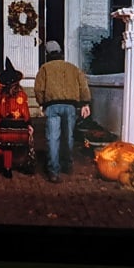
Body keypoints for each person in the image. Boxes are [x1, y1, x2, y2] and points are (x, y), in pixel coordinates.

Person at [34, 40, 91, 183]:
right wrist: (85, 103)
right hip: (70, 106)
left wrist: (42, 103)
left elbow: (39, 89)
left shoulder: (45, 68)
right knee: (68, 137)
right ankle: (67, 165)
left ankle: (54, 171)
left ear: (47, 54)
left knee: (53, 138)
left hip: (52, 106)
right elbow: (83, 86)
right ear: (61, 53)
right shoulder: (73, 68)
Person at [0, 57, 35, 179]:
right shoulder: (22, 95)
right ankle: (21, 164)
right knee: (22, 144)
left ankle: (7, 168)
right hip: (19, 126)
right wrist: (29, 124)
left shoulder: (1, 95)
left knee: (7, 147)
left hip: (5, 126)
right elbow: (25, 111)